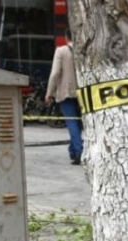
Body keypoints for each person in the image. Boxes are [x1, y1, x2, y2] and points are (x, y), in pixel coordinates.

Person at [46, 29, 83, 165]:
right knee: (78, 123)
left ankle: (79, 151)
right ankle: (73, 150)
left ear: (66, 37)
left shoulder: (61, 51)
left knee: (71, 122)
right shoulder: (83, 51)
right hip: (83, 92)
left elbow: (55, 73)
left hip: (66, 91)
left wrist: (49, 92)